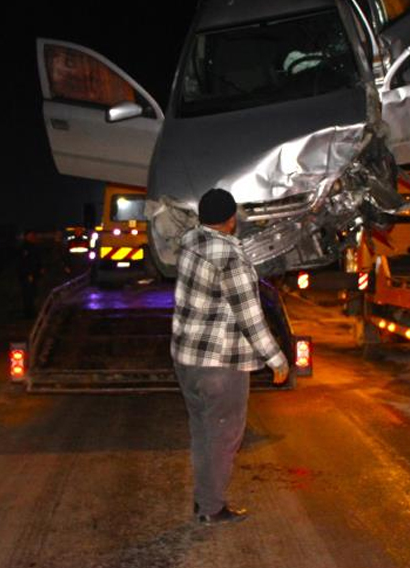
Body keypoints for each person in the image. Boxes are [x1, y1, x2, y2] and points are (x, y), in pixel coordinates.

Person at [172, 188, 290, 525]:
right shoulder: (229, 258)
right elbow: (250, 317)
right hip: (220, 364)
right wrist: (276, 359)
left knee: (203, 431)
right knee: (224, 437)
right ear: (231, 219)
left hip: (187, 360)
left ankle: (203, 500)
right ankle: (211, 508)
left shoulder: (190, 244)